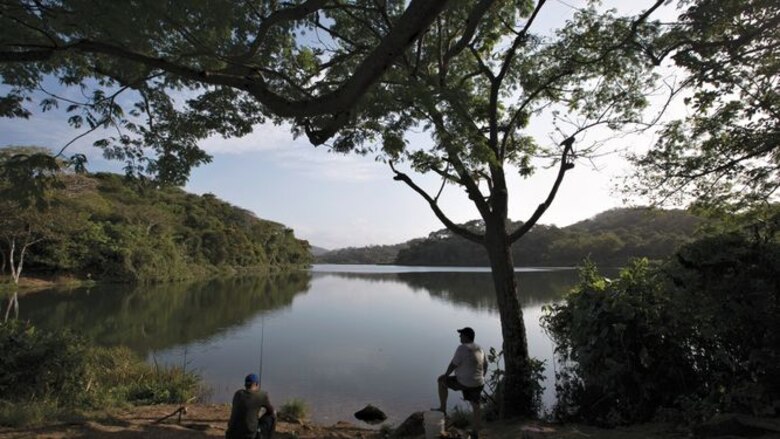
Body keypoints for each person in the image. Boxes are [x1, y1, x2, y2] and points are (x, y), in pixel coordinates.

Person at [436, 327, 487, 439]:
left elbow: (453, 364)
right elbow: (485, 365)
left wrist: (446, 375)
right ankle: (476, 431)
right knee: (476, 404)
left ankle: (443, 409)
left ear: (467, 337)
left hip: (464, 382)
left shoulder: (462, 348)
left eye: (461, 335)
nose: (459, 336)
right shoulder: (480, 348)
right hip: (479, 382)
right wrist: (481, 378)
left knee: (441, 381)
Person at [226, 373, 276, 439]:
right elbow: (271, 411)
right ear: (256, 384)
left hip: (231, 434)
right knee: (273, 414)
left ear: (245, 384)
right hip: (249, 435)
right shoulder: (261, 395)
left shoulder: (238, 394)